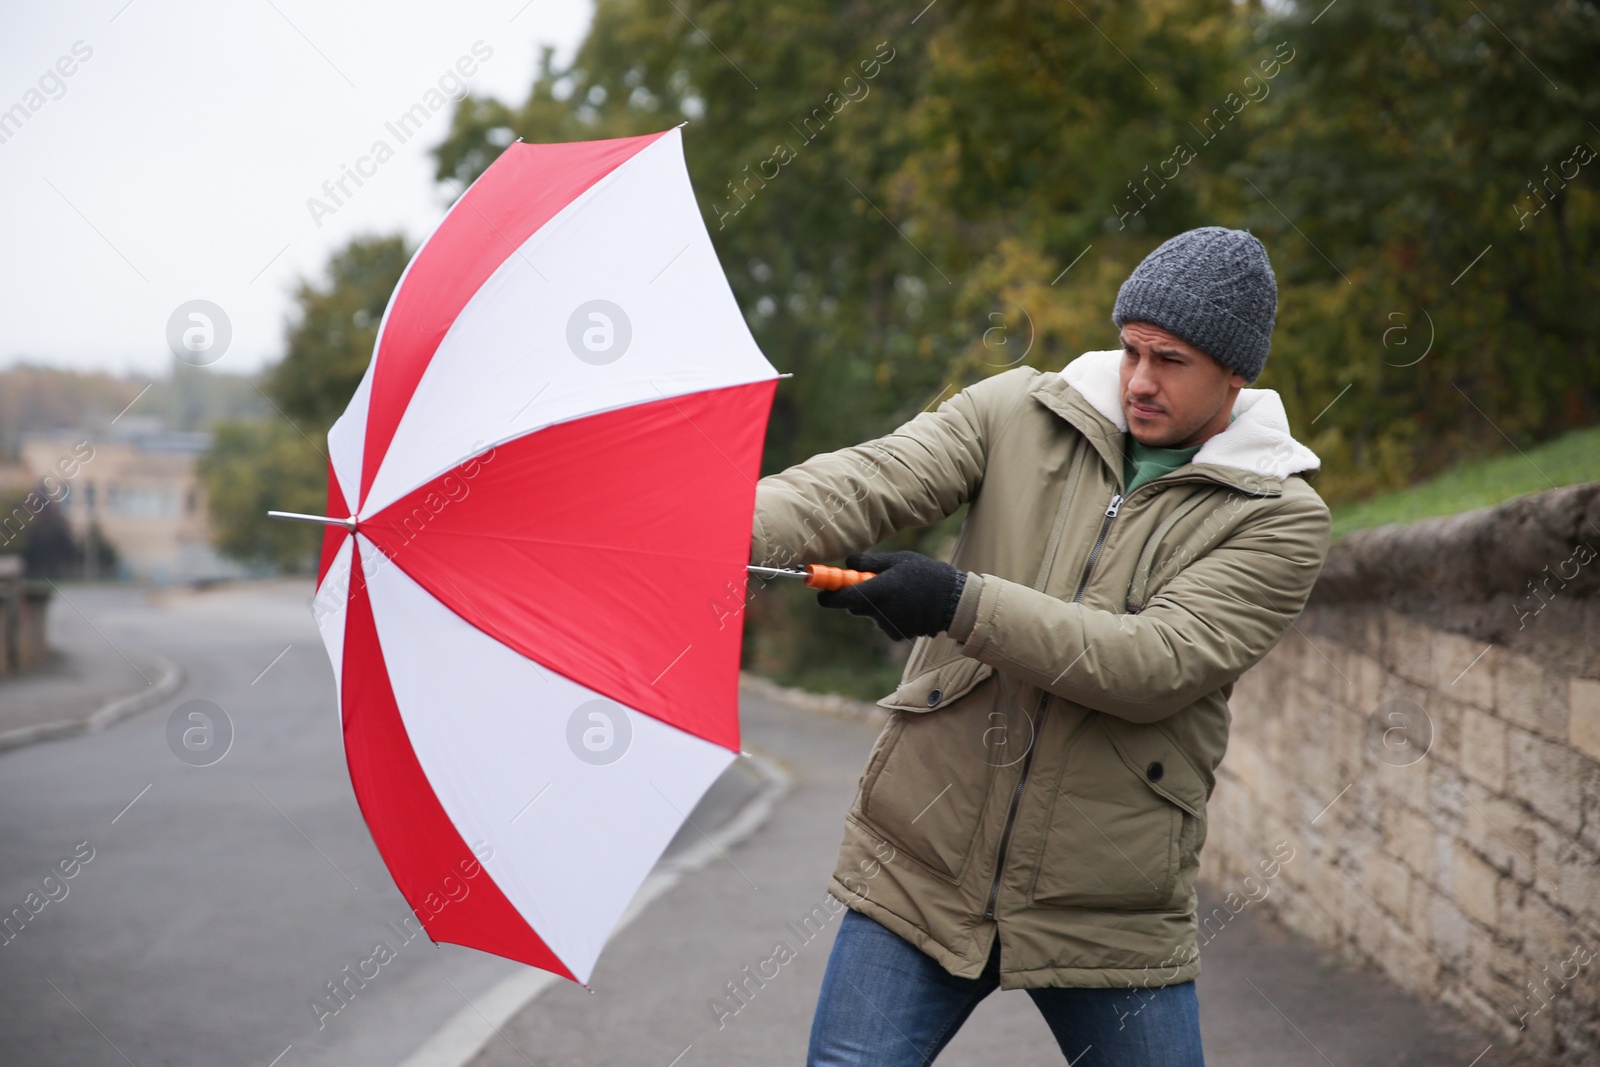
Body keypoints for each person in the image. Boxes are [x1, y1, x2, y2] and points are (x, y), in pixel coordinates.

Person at [748, 226, 1331, 1066]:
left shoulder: (1279, 516)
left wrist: (954, 600)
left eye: (1171, 361)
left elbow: (1152, 663)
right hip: (924, 858)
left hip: (1109, 898)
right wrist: (709, 530)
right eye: (1132, 349)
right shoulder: (1019, 407)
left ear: (1235, 373)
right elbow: (865, 480)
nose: (1139, 378)